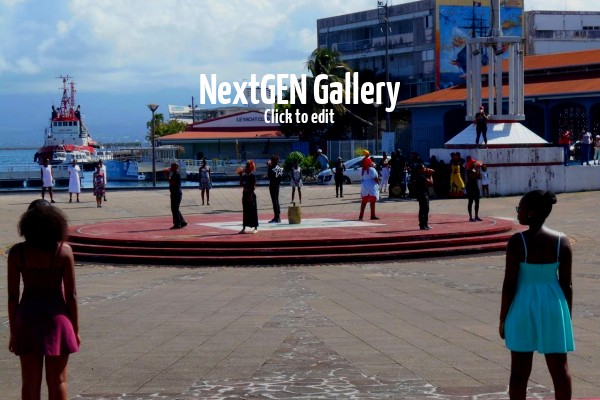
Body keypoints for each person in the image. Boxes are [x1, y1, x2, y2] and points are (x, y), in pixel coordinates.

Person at [500, 190, 574, 400]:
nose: (518, 212)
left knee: (519, 372)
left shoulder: (518, 242)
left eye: (520, 208)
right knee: (560, 369)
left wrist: (503, 318)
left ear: (531, 212)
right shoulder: (562, 241)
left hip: (523, 304)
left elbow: (509, 284)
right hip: (554, 303)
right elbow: (567, 284)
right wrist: (566, 316)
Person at [8, 201, 80, 400]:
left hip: (27, 317)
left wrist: (13, 331)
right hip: (57, 318)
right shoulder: (63, 251)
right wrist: (75, 328)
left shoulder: (17, 253)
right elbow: (71, 295)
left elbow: (13, 297)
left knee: (29, 382)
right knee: (58, 381)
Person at [238, 161, 258, 234]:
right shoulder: (245, 176)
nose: (245, 168)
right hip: (245, 194)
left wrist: (250, 196)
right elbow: (241, 184)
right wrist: (240, 175)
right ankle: (244, 228)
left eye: (247, 167)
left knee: (253, 211)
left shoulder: (252, 176)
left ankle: (255, 228)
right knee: (245, 212)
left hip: (251, 195)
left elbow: (253, 187)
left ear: (250, 168)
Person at [358, 156, 380, 220]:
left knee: (364, 202)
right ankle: (372, 215)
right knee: (372, 202)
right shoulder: (372, 169)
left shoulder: (362, 170)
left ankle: (361, 215)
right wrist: (378, 183)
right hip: (371, 186)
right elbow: (376, 178)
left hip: (364, 186)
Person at [413, 163, 434, 230]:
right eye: (423, 168)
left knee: (426, 209)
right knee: (423, 209)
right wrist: (430, 174)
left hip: (423, 194)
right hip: (422, 194)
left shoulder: (421, 175)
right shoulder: (420, 176)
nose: (425, 168)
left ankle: (425, 224)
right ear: (420, 169)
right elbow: (430, 183)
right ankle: (422, 224)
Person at [168, 163, 187, 229]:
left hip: (176, 193)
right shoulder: (174, 174)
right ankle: (182, 222)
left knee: (175, 209)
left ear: (176, 167)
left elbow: (172, 182)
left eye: (172, 166)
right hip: (175, 193)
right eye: (171, 166)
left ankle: (177, 224)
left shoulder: (176, 174)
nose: (171, 168)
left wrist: (167, 175)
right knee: (175, 209)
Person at [267, 154, 283, 223]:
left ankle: (276, 217)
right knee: (277, 200)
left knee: (274, 201)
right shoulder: (279, 168)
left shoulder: (272, 167)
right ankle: (278, 216)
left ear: (273, 161)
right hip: (277, 185)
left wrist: (269, 166)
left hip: (272, 185)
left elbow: (269, 175)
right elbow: (281, 177)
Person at [465, 156, 482, 221]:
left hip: (475, 186)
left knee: (477, 202)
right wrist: (478, 168)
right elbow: (474, 176)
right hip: (470, 187)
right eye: (473, 163)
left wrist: (479, 169)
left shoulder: (474, 169)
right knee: (470, 202)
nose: (474, 164)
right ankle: (470, 217)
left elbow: (479, 177)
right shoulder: (468, 170)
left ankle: (476, 216)